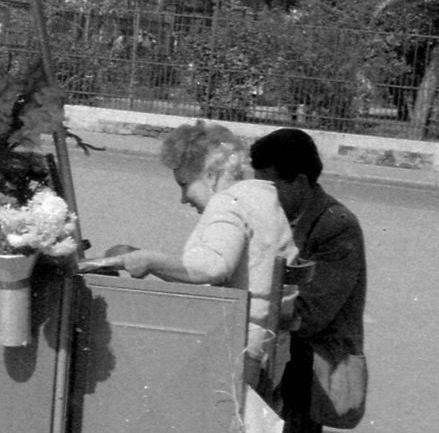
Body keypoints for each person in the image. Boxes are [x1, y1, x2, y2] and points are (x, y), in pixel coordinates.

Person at [89, 122, 296, 390]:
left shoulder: (228, 203)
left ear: (210, 174)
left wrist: (149, 259)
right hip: (270, 347)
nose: (183, 198)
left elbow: (212, 267)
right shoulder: (262, 197)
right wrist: (149, 261)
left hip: (239, 351)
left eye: (185, 184)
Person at [250, 127, 368, 433]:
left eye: (270, 185)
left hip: (320, 348)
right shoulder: (276, 211)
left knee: (287, 369)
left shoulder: (336, 224)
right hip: (287, 332)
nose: (262, 195)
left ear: (300, 181)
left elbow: (315, 311)